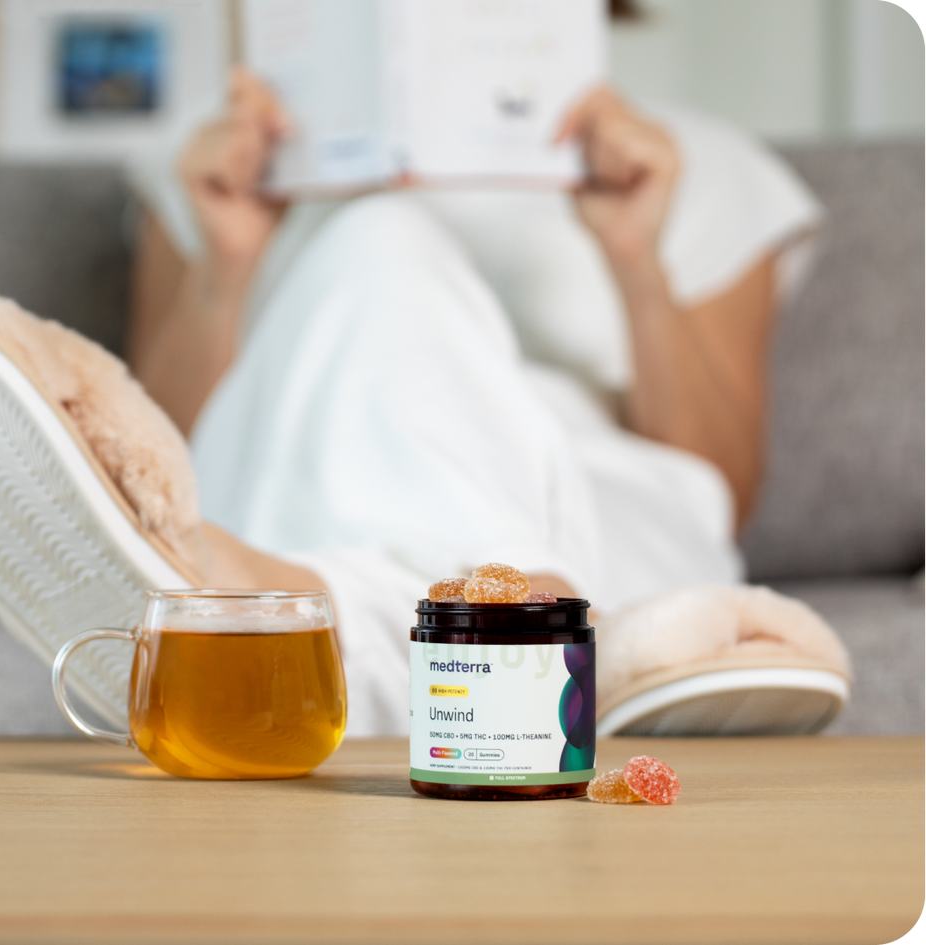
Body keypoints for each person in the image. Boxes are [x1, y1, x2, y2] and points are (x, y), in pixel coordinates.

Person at [122, 65, 821, 734]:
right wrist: (223, 267)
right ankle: (541, 640)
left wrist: (637, 257)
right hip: (308, 481)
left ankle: (289, 609)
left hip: (597, 503)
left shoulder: (701, 164)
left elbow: (719, 481)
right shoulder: (224, 158)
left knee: (379, 238)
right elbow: (154, 460)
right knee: (380, 243)